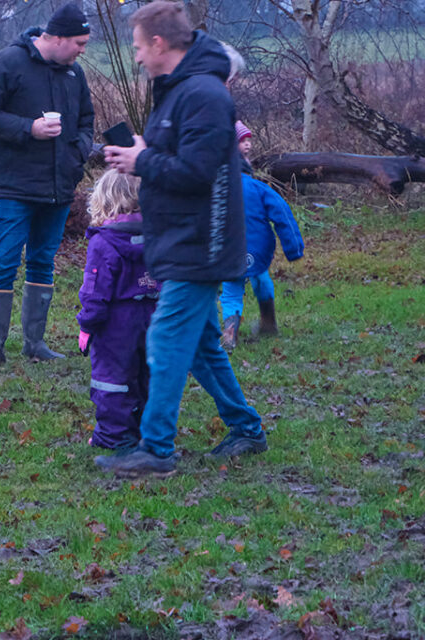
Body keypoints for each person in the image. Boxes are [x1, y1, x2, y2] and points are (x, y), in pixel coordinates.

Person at [99, 1, 266, 477]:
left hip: (203, 241)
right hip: (181, 234)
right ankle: (246, 429)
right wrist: (141, 150)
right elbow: (181, 153)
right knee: (200, 346)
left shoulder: (204, 95)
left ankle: (155, 449)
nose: (135, 57)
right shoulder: (175, 90)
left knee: (167, 336)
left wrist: (141, 163)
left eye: (136, 47)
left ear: (158, 43)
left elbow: (197, 171)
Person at [0, 3, 95, 367]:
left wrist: (79, 151)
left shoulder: (74, 74)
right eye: (79, 43)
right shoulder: (5, 64)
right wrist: (29, 129)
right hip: (13, 187)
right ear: (55, 38)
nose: (83, 50)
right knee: (4, 263)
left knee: (43, 262)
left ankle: (35, 344)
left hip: (58, 187)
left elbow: (87, 119)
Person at [76, 169, 159, 451]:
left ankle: (113, 435)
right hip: (155, 318)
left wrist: (87, 326)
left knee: (111, 378)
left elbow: (95, 291)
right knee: (147, 376)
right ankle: (147, 431)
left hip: (116, 325)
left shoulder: (104, 242)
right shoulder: (158, 237)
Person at [220, 123, 305, 350]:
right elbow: (283, 216)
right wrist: (293, 249)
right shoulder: (259, 188)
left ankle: (229, 332)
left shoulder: (216, 190)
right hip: (257, 250)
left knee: (231, 291)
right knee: (261, 278)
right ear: (248, 171)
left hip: (227, 251)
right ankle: (268, 321)